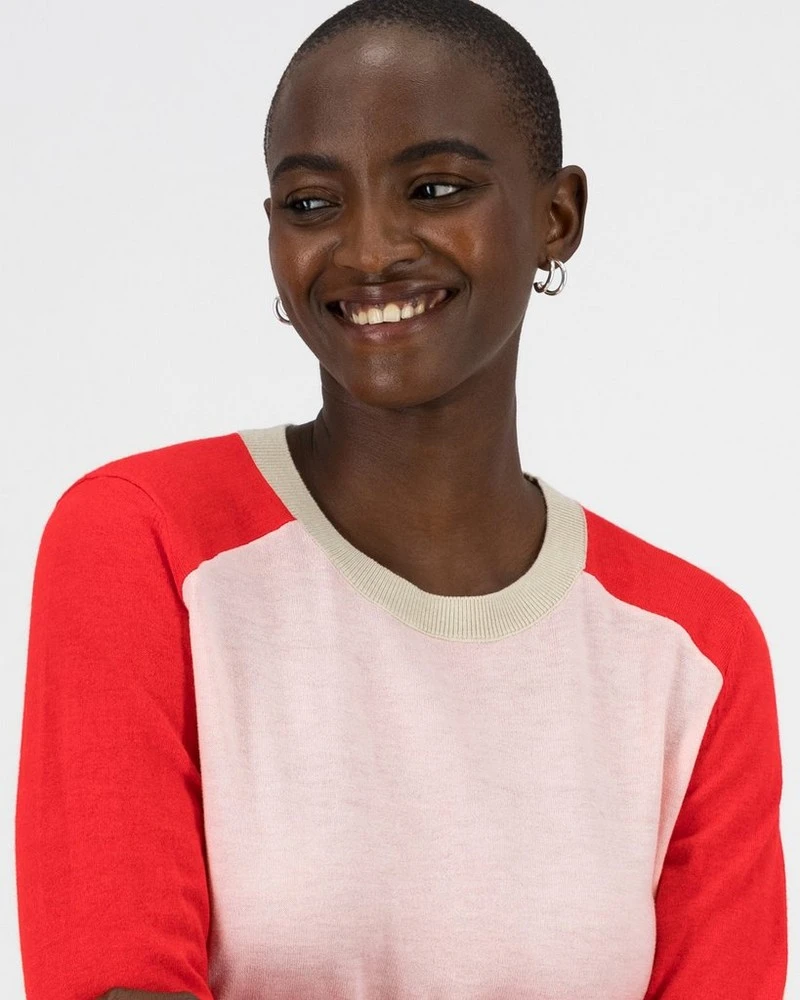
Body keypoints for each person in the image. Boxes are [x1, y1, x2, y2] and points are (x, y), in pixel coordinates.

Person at [15, 1, 787, 998]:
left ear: (556, 217)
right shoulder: (145, 541)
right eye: (311, 204)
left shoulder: (694, 652)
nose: (369, 250)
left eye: (433, 189)